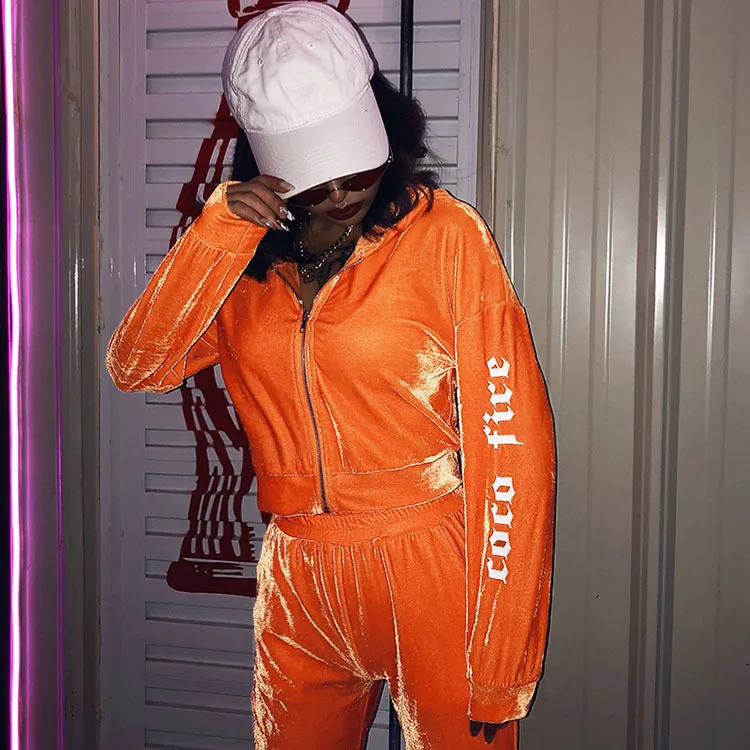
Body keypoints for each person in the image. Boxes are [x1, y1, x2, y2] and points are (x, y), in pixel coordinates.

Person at [106, 3, 556, 748]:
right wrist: (217, 234)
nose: (344, 193)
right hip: (300, 575)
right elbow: (139, 365)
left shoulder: (445, 236)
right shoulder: (242, 261)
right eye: (317, 179)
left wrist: (503, 657)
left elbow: (514, 451)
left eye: (359, 167)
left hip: (431, 563)